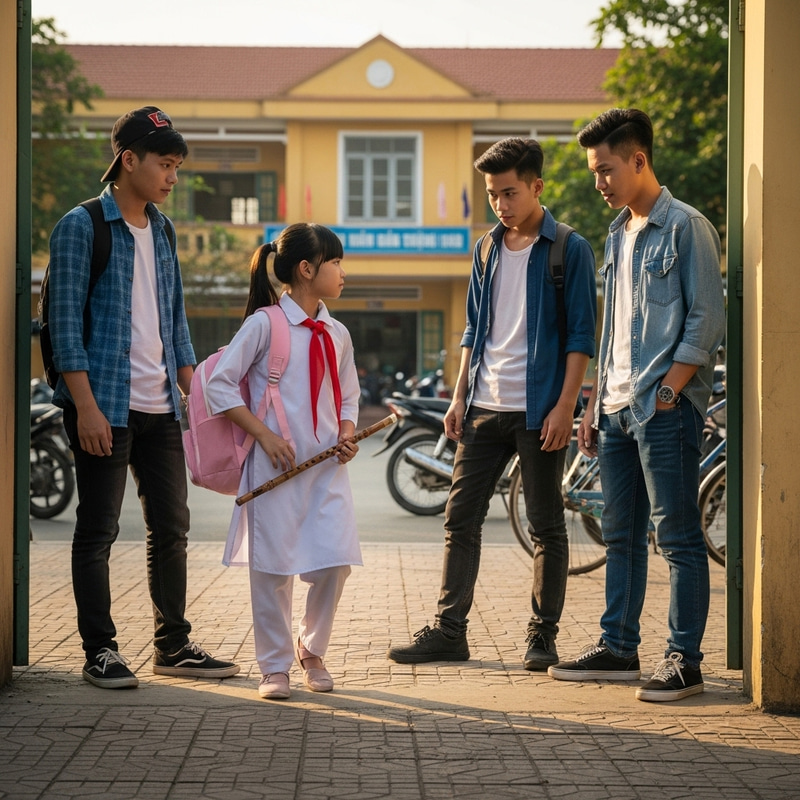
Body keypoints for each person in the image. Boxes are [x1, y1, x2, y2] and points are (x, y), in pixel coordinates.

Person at [387, 138, 597, 670]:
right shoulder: (485, 248)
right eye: (492, 194)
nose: (501, 204)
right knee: (460, 520)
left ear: (536, 186)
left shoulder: (568, 249)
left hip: (538, 409)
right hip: (482, 405)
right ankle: (450, 631)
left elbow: (580, 337)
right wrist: (457, 398)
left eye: (509, 192)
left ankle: (541, 636)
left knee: (545, 523)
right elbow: (473, 330)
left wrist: (564, 406)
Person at [48, 106, 239, 689]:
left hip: (160, 406)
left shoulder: (161, 228)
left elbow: (173, 315)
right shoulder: (81, 227)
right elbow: (61, 323)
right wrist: (85, 407)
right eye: (165, 163)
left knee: (172, 527)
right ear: (128, 160)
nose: (172, 177)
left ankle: (172, 644)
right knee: (98, 529)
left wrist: (193, 393)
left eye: (177, 165)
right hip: (104, 402)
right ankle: (99, 651)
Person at [547, 108, 726, 702]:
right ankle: (620, 647)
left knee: (675, 536)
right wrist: (597, 407)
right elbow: (613, 330)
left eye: (605, 170)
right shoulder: (617, 234)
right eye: (595, 172)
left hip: (664, 409)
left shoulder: (685, 227)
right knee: (619, 534)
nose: (599, 182)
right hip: (618, 408)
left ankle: (684, 659)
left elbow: (705, 319)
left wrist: (671, 392)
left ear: (638, 159)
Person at [205, 225, 362, 700]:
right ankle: (274, 668)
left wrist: (349, 436)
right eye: (335, 263)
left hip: (326, 471)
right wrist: (265, 436)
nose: (342, 272)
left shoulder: (337, 332)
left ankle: (310, 648)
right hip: (273, 470)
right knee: (272, 571)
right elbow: (219, 386)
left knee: (335, 563)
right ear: (306, 269)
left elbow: (349, 398)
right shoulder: (264, 324)